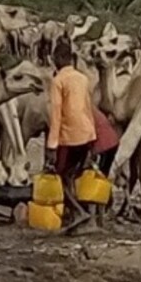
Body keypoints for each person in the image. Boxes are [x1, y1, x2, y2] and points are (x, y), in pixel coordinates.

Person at [45, 41, 98, 230]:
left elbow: (56, 114)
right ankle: (78, 216)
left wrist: (52, 146)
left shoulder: (58, 80)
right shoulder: (82, 78)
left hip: (69, 136)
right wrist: (93, 137)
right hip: (86, 133)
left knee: (61, 175)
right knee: (73, 175)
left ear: (57, 59)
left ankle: (79, 212)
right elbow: (87, 107)